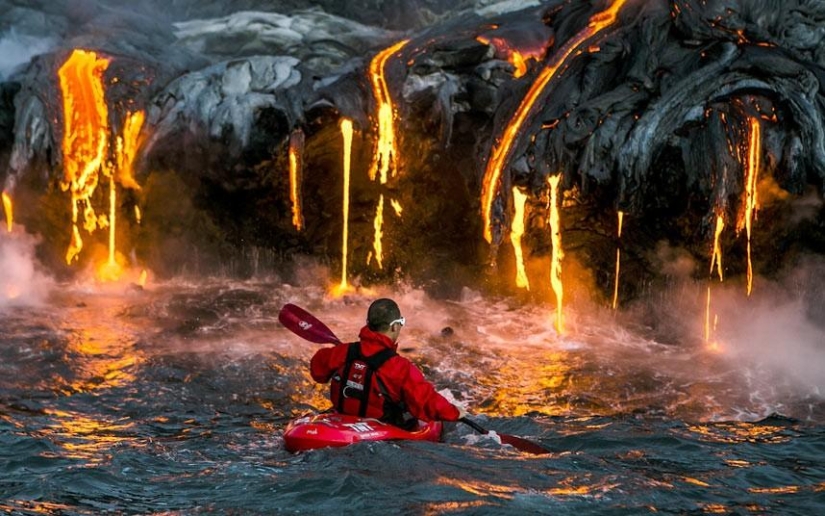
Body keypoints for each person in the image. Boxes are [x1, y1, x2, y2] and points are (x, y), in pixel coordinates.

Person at [310, 298, 467, 428]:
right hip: (380, 429)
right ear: (394, 326)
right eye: (401, 322)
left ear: (368, 323)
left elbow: (317, 371)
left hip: (340, 422)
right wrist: (454, 412)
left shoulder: (343, 352)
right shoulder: (399, 367)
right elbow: (426, 400)